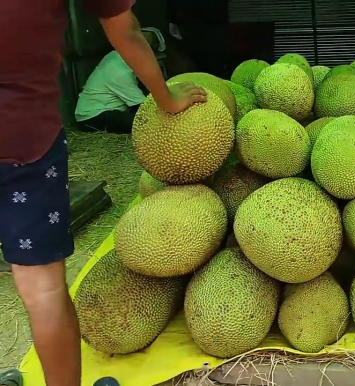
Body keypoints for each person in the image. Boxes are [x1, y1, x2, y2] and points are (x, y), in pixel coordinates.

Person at [0, 1, 207, 386]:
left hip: (23, 138)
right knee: (43, 291)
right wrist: (166, 97)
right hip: (24, 141)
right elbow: (123, 30)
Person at [75, 30, 161, 134]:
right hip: (93, 117)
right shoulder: (119, 72)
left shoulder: (116, 55)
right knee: (144, 123)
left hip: (102, 111)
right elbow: (143, 106)